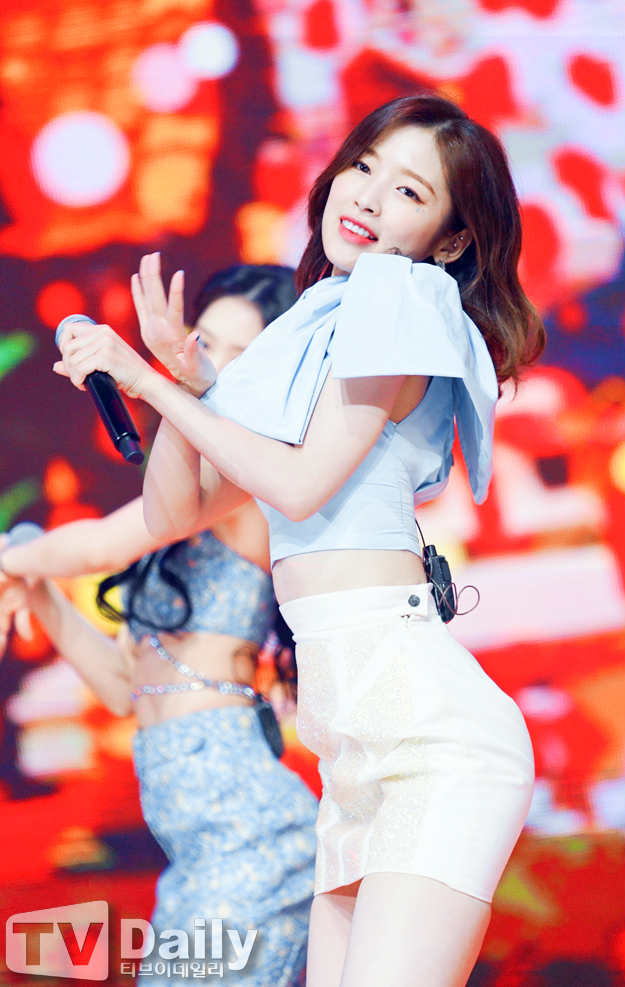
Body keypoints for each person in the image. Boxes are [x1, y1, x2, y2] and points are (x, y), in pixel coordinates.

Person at [53, 95, 546, 987]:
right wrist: (175, 381)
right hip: (353, 759)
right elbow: (173, 512)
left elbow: (299, 483)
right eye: (363, 166)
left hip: (434, 745)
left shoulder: (404, 298)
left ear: (449, 241)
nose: (368, 196)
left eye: (409, 191)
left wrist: (154, 386)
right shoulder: (314, 324)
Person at [0, 264, 317, 987]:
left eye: (239, 356)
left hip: (249, 838)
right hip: (200, 853)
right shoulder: (177, 506)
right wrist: (33, 585)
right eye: (203, 342)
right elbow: (123, 688)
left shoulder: (251, 484)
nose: (209, 367)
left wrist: (12, 559)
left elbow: (99, 547)